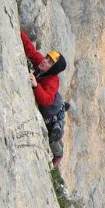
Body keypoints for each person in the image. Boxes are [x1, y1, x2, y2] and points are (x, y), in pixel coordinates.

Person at [20, 30, 69, 167]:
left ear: (53, 69)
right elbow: (30, 49)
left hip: (53, 112)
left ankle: (58, 154)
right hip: (54, 104)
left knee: (53, 136)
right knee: (56, 134)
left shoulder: (53, 81)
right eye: (47, 58)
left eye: (49, 62)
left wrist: (36, 86)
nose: (44, 61)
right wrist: (19, 32)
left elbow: (46, 100)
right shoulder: (41, 63)